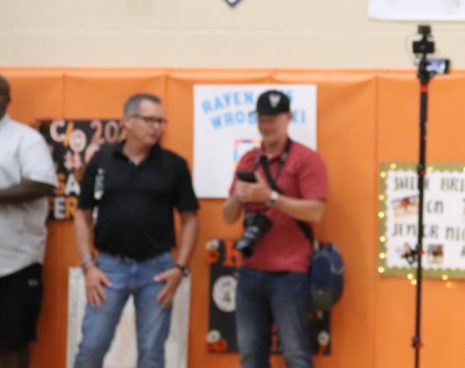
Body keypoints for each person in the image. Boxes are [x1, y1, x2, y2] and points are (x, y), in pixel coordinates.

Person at [74, 93, 199, 368]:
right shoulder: (102, 160)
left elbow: (190, 219)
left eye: (160, 121)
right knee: (91, 348)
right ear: (127, 122)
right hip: (108, 269)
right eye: (149, 120)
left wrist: (180, 268)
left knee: (152, 354)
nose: (156, 127)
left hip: (157, 271)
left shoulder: (174, 165)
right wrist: (87, 266)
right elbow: (82, 215)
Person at [223, 90, 328, 368]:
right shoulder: (248, 160)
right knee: (250, 356)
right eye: (263, 119)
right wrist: (240, 195)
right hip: (250, 270)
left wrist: (270, 198)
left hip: (290, 274)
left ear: (288, 118)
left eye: (273, 119)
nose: (268, 125)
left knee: (295, 354)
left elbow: (316, 211)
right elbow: (227, 216)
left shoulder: (306, 160)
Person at [0, 75, 57, 368]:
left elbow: (43, 184)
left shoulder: (25, 139)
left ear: (7, 99)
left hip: (15, 262)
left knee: (12, 343)